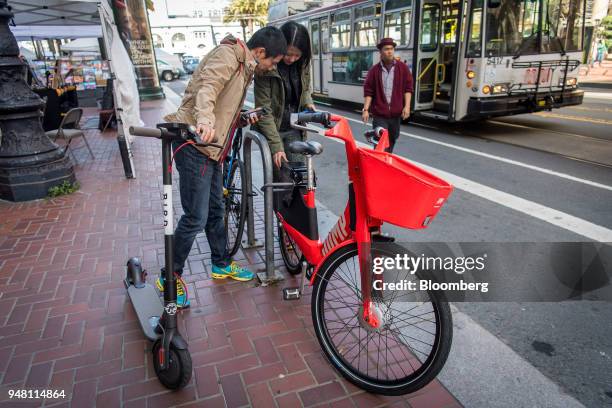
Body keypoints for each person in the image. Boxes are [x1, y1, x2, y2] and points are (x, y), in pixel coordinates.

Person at [160, 27, 287, 308]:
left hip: (213, 150)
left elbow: (224, 108)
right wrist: (204, 121)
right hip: (195, 145)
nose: (272, 67)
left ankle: (220, 263)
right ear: (261, 52)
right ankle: (170, 275)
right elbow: (208, 89)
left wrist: (241, 118)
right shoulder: (228, 55)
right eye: (273, 62)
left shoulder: (245, 66)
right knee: (195, 216)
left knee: (216, 210)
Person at [253, 21, 315, 171]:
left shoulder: (303, 63)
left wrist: (308, 102)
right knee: (281, 178)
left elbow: (305, 89)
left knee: (299, 174)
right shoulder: (266, 66)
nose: (292, 59)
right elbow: (264, 110)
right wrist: (276, 147)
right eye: (288, 54)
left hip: (294, 126)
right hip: (272, 128)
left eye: (297, 55)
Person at [362, 38, 413, 153]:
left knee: (392, 140)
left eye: (391, 49)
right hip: (380, 115)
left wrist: (407, 106)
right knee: (380, 143)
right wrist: (365, 109)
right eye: (386, 49)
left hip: (395, 115)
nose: (390, 51)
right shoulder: (374, 71)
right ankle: (379, 164)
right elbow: (368, 91)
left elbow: (408, 88)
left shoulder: (402, 68)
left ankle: (386, 163)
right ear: (381, 52)